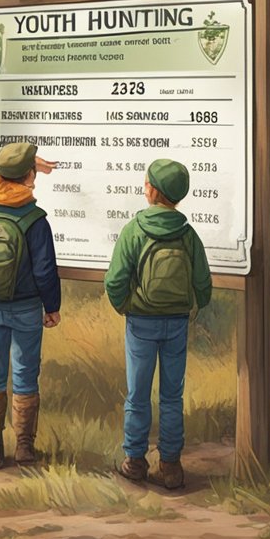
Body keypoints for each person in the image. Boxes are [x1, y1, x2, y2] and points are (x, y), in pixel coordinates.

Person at [104, 160, 212, 490]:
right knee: (171, 396)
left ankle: (135, 461)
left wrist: (127, 305)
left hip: (140, 322)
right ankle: (170, 466)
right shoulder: (188, 234)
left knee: (137, 395)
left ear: (151, 190)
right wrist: (190, 307)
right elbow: (203, 284)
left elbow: (115, 282)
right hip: (176, 323)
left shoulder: (133, 231)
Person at [0, 142, 61, 470]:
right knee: (24, 373)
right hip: (26, 307)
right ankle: (23, 448)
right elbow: (45, 270)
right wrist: (52, 306)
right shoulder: (35, 219)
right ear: (29, 176)